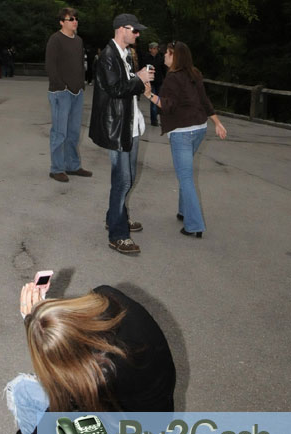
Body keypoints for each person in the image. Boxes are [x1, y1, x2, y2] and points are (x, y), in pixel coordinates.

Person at [2, 280, 176, 434]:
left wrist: (31, 324)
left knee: (21, 391)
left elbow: (67, 405)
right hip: (154, 422)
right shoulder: (109, 297)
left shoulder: (100, 376)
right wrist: (47, 314)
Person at [145, 41, 227, 238]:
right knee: (186, 172)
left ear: (175, 56)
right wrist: (217, 122)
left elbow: (168, 106)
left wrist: (149, 95)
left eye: (167, 53)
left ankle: (194, 225)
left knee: (185, 177)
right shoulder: (194, 74)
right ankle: (184, 211)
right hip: (199, 129)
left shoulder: (172, 78)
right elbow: (204, 100)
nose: (164, 55)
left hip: (182, 132)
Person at [89, 13, 153, 254]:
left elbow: (125, 88)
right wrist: (139, 78)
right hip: (116, 128)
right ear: (120, 29)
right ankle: (117, 234)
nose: (137, 34)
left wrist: (139, 81)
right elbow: (116, 89)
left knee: (128, 176)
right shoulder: (107, 57)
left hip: (130, 125)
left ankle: (114, 216)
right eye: (133, 30)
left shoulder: (125, 54)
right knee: (122, 179)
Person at [44, 8, 91, 182]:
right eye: (70, 19)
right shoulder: (55, 39)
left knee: (73, 132)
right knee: (59, 132)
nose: (74, 21)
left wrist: (81, 83)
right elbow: (50, 66)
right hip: (61, 93)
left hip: (77, 92)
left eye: (76, 18)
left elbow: (80, 64)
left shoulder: (78, 40)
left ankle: (72, 166)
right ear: (61, 22)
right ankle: (56, 169)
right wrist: (61, 86)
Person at [147, 41, 165, 126]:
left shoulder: (160, 58)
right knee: (153, 101)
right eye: (153, 48)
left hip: (159, 82)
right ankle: (154, 120)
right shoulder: (147, 58)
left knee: (160, 101)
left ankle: (162, 119)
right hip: (151, 82)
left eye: (156, 48)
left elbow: (163, 69)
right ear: (150, 49)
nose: (155, 50)